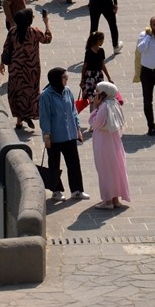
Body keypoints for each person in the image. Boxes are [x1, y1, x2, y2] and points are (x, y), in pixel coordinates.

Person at [39, 65, 89, 201]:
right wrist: (47, 135)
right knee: (54, 164)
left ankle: (77, 190)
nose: (66, 79)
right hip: (55, 136)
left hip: (69, 135)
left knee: (74, 163)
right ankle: (56, 191)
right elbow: (45, 117)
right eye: (64, 77)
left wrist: (78, 129)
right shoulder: (46, 96)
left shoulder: (67, 91)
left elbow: (73, 112)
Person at [0, 9, 51, 130]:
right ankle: (26, 115)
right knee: (31, 93)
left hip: (15, 69)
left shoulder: (12, 32)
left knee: (17, 93)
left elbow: (6, 48)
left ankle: (19, 121)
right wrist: (46, 22)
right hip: (31, 70)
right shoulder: (34, 32)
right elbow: (47, 39)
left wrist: (2, 63)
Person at [89, 80, 130, 209]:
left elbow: (95, 123)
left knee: (105, 170)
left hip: (103, 142)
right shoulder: (115, 103)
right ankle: (115, 199)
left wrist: (95, 108)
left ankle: (107, 201)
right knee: (115, 169)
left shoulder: (104, 107)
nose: (95, 94)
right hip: (113, 141)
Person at [79, 32, 113, 114]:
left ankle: (98, 116)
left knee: (100, 97)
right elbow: (85, 66)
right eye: (102, 40)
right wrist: (82, 79)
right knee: (92, 98)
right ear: (98, 40)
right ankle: (93, 117)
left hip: (99, 77)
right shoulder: (89, 52)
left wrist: (109, 77)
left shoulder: (101, 51)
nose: (103, 42)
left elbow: (102, 65)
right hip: (90, 77)